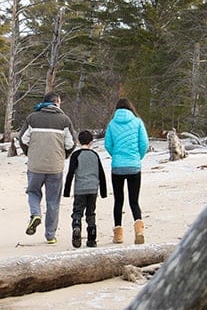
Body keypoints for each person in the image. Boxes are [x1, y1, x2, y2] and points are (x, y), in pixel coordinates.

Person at [18, 92, 76, 244]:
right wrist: (64, 156)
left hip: (35, 165)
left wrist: (29, 153)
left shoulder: (32, 118)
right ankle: (50, 235)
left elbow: (22, 139)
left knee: (32, 191)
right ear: (56, 102)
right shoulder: (64, 120)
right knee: (53, 201)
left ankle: (35, 214)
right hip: (55, 167)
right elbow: (71, 144)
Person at [104, 97, 150, 244]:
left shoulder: (112, 124)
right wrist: (138, 157)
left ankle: (118, 235)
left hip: (117, 167)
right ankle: (139, 230)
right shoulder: (137, 122)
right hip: (134, 166)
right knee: (134, 201)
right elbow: (144, 143)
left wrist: (116, 156)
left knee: (118, 200)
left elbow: (107, 145)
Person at [63, 130, 108, 248]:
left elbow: (70, 173)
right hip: (93, 189)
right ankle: (92, 238)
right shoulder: (95, 155)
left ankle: (77, 227)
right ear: (91, 142)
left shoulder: (76, 155)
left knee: (77, 211)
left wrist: (66, 191)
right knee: (91, 213)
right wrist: (103, 191)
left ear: (78, 141)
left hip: (80, 189)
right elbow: (101, 174)